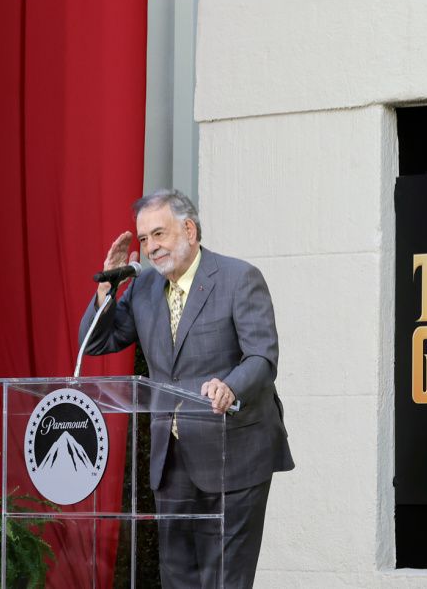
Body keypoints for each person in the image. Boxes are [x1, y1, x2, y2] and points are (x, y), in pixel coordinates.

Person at [78, 189, 294, 589]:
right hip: (172, 459)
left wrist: (229, 386)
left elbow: (262, 358)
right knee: (177, 578)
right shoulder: (143, 290)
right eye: (144, 240)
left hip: (235, 454)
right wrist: (107, 288)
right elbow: (96, 343)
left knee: (224, 579)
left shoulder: (237, 278)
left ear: (189, 229)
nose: (150, 247)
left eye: (158, 234)